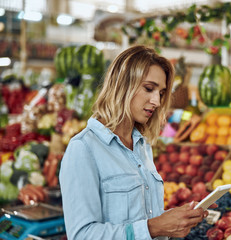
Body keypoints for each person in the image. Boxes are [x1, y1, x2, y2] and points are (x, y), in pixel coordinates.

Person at [59, 45, 211, 240]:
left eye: (162, 93)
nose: (156, 101)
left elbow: (142, 219)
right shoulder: (83, 148)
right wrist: (154, 227)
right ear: (122, 85)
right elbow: (81, 235)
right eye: (149, 88)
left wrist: (175, 220)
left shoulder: (141, 145)